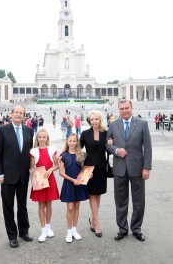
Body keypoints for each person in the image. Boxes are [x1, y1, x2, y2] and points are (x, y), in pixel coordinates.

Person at [106, 99, 152, 242]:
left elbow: (148, 148)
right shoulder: (113, 125)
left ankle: (136, 228)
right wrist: (115, 150)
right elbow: (107, 145)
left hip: (138, 169)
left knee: (139, 201)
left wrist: (146, 167)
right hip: (119, 168)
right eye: (121, 109)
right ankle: (122, 228)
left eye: (127, 108)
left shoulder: (142, 124)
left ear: (131, 108)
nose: (124, 111)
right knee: (120, 201)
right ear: (118, 110)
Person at [0, 105, 33, 248]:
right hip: (7, 176)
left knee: (22, 205)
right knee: (8, 206)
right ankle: (12, 235)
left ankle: (24, 231)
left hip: (23, 175)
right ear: (11, 114)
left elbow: (30, 152)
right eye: (16, 112)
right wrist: (0, 173)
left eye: (21, 113)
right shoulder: (3, 130)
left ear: (24, 116)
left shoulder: (29, 130)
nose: (18, 114)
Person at [80, 110, 108, 238]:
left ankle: (92, 218)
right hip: (89, 168)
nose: (94, 121)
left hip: (102, 166)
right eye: (92, 119)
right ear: (89, 121)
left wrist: (112, 143)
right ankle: (97, 223)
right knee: (92, 194)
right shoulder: (85, 134)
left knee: (98, 195)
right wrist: (63, 155)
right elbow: (77, 149)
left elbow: (110, 148)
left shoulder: (106, 134)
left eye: (96, 119)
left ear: (100, 119)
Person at [30, 128, 59, 242]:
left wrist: (50, 170)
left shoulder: (52, 149)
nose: (42, 139)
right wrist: (37, 177)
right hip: (39, 179)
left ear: (47, 138)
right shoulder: (33, 151)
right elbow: (32, 167)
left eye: (44, 137)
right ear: (37, 138)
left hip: (49, 178)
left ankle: (48, 227)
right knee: (41, 205)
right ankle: (43, 230)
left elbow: (56, 165)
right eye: (40, 137)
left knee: (49, 204)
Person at [59, 133, 89, 243]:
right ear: (67, 142)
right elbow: (61, 172)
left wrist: (87, 174)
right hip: (69, 184)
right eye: (70, 141)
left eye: (74, 141)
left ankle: (74, 230)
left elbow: (84, 169)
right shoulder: (63, 155)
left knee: (76, 207)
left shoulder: (81, 154)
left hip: (79, 184)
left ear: (77, 142)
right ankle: (69, 231)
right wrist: (72, 180)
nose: (72, 143)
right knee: (70, 208)